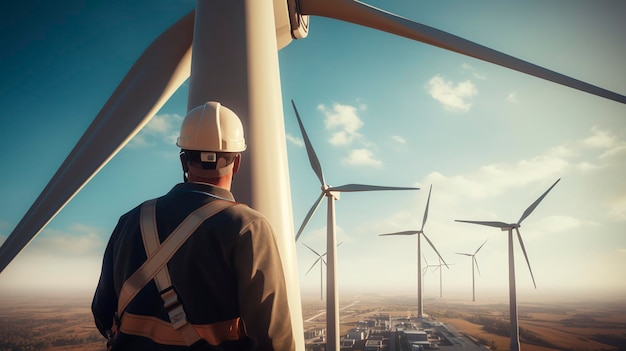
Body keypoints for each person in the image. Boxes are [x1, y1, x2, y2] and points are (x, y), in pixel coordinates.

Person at [92, 101, 295, 351]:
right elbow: (273, 337)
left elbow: (102, 314)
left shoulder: (131, 220)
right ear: (237, 162)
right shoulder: (248, 226)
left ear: (183, 162)